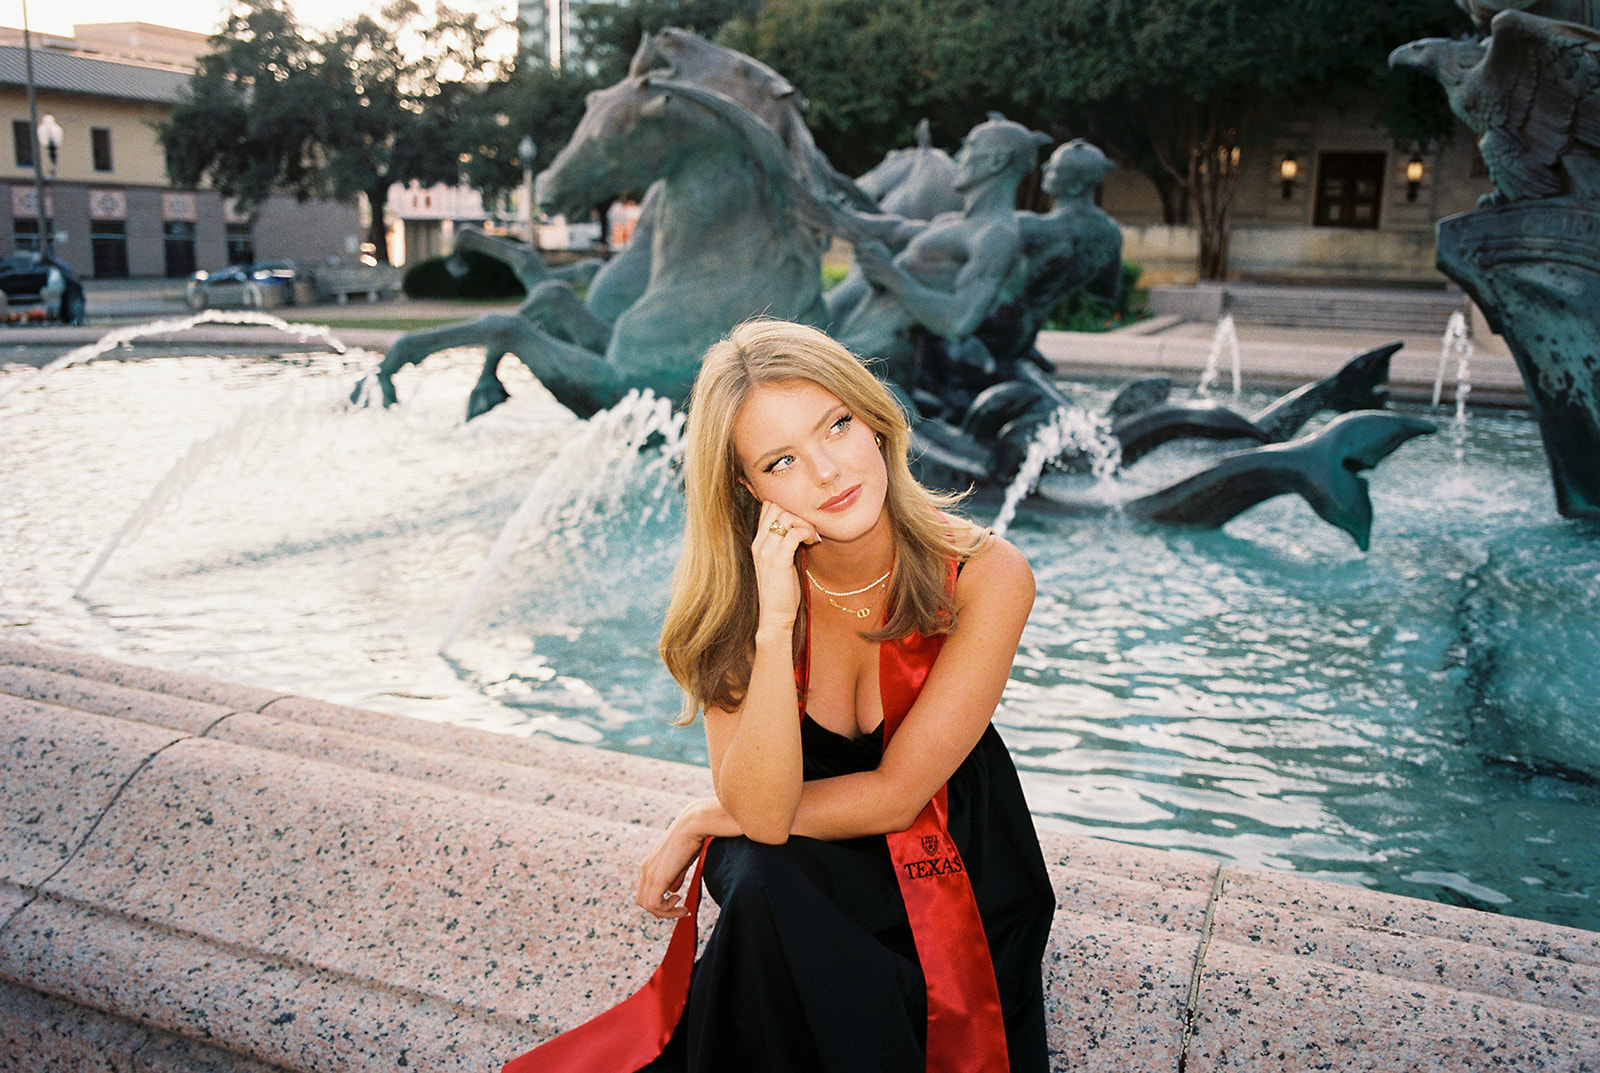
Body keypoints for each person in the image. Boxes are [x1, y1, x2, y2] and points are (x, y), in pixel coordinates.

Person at [504, 318, 1054, 1073]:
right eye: (783, 459)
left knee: (765, 885)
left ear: (875, 416)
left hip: (956, 861)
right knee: (764, 878)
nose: (829, 472)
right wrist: (774, 624)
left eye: (837, 424)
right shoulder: (736, 603)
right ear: (748, 485)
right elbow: (765, 815)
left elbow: (897, 796)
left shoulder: (990, 574)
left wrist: (704, 814)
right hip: (806, 870)